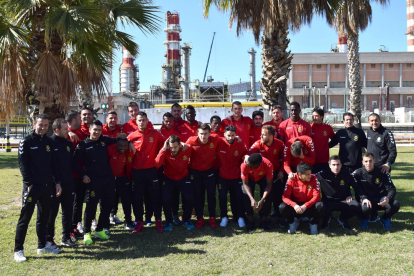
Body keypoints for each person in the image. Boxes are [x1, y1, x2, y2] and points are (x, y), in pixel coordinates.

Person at [14, 114, 61, 262]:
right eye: (40, 125)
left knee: (44, 217)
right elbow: (23, 165)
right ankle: (18, 250)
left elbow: (54, 165)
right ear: (34, 124)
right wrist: (28, 184)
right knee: (25, 218)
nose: (43, 128)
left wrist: (57, 182)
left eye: (46, 126)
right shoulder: (26, 142)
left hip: (47, 186)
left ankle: (42, 246)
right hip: (32, 187)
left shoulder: (49, 142)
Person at [73, 120, 123, 244]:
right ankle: (87, 233)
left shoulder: (104, 140)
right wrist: (83, 175)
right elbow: (74, 163)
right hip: (93, 181)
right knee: (91, 207)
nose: (97, 132)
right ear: (89, 130)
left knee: (107, 205)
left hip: (108, 179)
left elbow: (119, 140)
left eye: (99, 130)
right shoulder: (82, 145)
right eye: (95, 130)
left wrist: (129, 142)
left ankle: (99, 230)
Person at [127, 111, 165, 233]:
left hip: (151, 171)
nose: (142, 122)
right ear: (136, 122)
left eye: (144, 120)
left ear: (147, 121)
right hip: (137, 172)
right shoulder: (132, 136)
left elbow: (167, 144)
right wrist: (128, 143)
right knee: (137, 198)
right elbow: (120, 143)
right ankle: (139, 222)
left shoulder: (155, 134)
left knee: (155, 196)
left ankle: (158, 221)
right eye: (139, 120)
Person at [46, 119, 77, 250]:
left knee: (68, 211)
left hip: (68, 183)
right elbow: (48, 166)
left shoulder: (68, 144)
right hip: (54, 185)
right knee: (52, 213)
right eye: (65, 129)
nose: (68, 131)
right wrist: (55, 181)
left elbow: (73, 164)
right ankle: (49, 239)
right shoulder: (49, 144)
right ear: (57, 130)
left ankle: (66, 237)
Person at [246, 125, 285, 226]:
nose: (261, 137)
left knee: (276, 194)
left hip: (275, 172)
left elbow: (285, 159)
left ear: (271, 136)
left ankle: (276, 214)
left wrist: (281, 171)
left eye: (264, 135)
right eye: (261, 134)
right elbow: (248, 153)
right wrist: (246, 156)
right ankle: (255, 216)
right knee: (262, 192)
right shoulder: (258, 143)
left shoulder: (280, 144)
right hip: (261, 173)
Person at [154, 135, 195, 231]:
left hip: (184, 177)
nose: (173, 149)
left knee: (189, 197)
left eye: (175, 147)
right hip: (169, 178)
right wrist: (164, 148)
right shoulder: (166, 151)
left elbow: (196, 144)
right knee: (165, 198)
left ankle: (186, 220)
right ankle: (169, 221)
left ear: (180, 145)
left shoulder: (187, 148)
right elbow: (156, 164)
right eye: (171, 147)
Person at [352, 153, 400, 230]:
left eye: (370, 161)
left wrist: (388, 198)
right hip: (367, 200)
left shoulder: (382, 172)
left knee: (395, 204)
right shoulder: (358, 173)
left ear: (374, 160)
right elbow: (348, 179)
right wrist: (363, 198)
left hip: (381, 199)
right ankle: (365, 219)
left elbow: (392, 189)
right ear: (363, 162)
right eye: (366, 161)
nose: (368, 163)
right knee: (365, 208)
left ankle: (385, 218)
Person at [186, 123, 221, 228]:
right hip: (195, 172)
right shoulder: (191, 140)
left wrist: (236, 138)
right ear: (197, 133)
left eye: (206, 134)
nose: (203, 136)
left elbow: (226, 139)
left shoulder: (215, 139)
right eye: (201, 134)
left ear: (210, 133)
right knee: (198, 196)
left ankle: (212, 218)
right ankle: (200, 219)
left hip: (209, 171)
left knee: (211, 195)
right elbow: (182, 147)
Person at [316, 155, 360, 230]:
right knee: (319, 206)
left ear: (341, 165)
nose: (336, 167)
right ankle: (326, 220)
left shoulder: (347, 175)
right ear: (329, 165)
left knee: (357, 206)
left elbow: (357, 187)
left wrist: (362, 197)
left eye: (338, 164)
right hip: (328, 201)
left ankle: (342, 218)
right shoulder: (322, 174)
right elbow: (309, 177)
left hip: (344, 200)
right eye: (333, 165)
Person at [216, 125, 248, 228]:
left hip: (236, 176)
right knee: (222, 197)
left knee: (238, 197)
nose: (230, 138)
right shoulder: (219, 142)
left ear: (236, 135)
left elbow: (244, 154)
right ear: (224, 134)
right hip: (223, 176)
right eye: (228, 135)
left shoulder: (240, 143)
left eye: (233, 135)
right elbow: (207, 137)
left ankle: (240, 217)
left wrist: (246, 156)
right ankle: (224, 217)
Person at [279, 162, 324, 235]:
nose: (310, 176)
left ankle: (313, 223)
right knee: (282, 207)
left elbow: (317, 196)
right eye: (307, 175)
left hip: (308, 205)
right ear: (299, 174)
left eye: (310, 173)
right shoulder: (292, 179)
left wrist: (305, 205)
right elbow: (285, 197)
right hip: (296, 206)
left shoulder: (314, 178)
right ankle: (293, 221)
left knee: (320, 205)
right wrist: (295, 205)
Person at [65, 110, 87, 238]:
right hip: (70, 176)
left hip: (80, 175)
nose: (82, 121)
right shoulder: (66, 134)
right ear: (74, 120)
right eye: (80, 118)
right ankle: (69, 230)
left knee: (78, 203)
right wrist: (68, 131)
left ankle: (75, 227)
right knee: (71, 204)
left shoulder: (81, 133)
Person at [158, 112, 182, 225]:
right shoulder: (158, 133)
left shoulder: (177, 133)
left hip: (175, 168)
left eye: (170, 121)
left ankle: (175, 214)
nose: (168, 123)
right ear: (163, 121)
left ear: (173, 121)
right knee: (164, 195)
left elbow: (183, 147)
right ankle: (165, 215)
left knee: (175, 194)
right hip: (162, 167)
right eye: (166, 121)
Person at [107, 136, 135, 230]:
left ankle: (128, 221)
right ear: (116, 145)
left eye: (125, 146)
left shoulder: (130, 150)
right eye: (120, 146)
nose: (122, 148)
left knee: (126, 201)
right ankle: (105, 223)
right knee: (108, 200)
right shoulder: (110, 149)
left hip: (123, 178)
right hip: (110, 178)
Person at [240, 153, 274, 232]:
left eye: (249, 164)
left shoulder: (268, 164)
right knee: (245, 194)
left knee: (269, 194)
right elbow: (245, 184)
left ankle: (264, 218)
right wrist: (252, 198)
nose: (247, 164)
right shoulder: (244, 165)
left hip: (263, 177)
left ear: (257, 165)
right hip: (250, 178)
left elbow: (269, 185)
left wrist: (262, 199)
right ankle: (250, 219)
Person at [102, 110, 123, 225]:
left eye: (115, 118)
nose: (113, 120)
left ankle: (113, 215)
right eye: (110, 118)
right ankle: (101, 217)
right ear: (106, 119)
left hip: (117, 166)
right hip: (104, 167)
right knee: (104, 194)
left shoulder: (120, 130)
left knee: (115, 193)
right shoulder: (102, 130)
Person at [311, 107, 335, 173]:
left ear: (322, 116)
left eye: (316, 116)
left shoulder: (328, 128)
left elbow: (335, 139)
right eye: (313, 116)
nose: (314, 118)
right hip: (311, 162)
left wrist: (328, 146)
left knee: (325, 182)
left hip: (324, 162)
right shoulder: (309, 127)